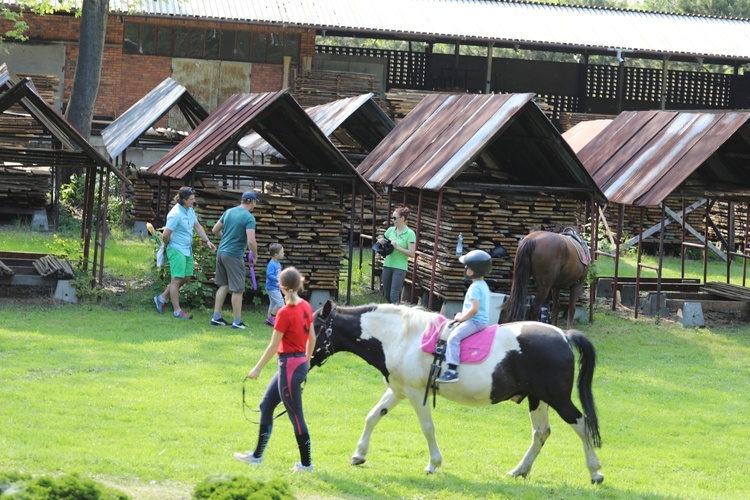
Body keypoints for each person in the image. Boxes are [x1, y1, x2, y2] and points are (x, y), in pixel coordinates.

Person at [234, 267, 317, 472]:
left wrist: (257, 369)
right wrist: (306, 362)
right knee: (266, 405)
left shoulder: (285, 313)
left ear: (281, 286)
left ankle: (306, 465)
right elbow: (312, 338)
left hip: (289, 367)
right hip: (294, 365)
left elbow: (273, 346)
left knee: (296, 416)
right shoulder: (306, 306)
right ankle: (257, 456)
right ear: (299, 284)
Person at [154, 186, 216, 319]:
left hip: (186, 249)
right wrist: (166, 245)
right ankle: (177, 311)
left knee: (186, 277)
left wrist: (207, 241)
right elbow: (166, 235)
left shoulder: (190, 210)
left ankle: (162, 298)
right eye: (191, 199)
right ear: (183, 200)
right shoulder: (175, 214)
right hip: (176, 249)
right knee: (176, 279)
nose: (194, 201)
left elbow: (197, 226)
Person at [435, 249, 492, 384]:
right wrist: (462, 314)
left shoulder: (475, 288)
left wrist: (461, 318)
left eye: (466, 266)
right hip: (477, 320)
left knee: (453, 337)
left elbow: (474, 309)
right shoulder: (482, 285)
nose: (465, 268)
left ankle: (452, 371)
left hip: (475, 322)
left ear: (472, 271)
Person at [210, 191, 259, 329]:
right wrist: (255, 255)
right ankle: (237, 322)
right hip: (234, 255)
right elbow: (251, 241)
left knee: (223, 285)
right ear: (252, 202)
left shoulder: (229, 212)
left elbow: (215, 230)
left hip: (221, 252)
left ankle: (216, 317)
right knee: (237, 289)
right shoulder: (249, 218)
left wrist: (225, 239)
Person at [380, 206, 416, 304]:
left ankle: (397, 317)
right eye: (392, 217)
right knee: (386, 294)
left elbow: (412, 253)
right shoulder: (390, 230)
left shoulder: (410, 233)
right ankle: (395, 313)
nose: (393, 220)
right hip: (387, 265)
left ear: (403, 219)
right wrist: (380, 242)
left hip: (399, 267)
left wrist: (397, 247)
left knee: (394, 295)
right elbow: (385, 244)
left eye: (395, 218)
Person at [265, 243, 285, 327]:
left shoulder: (278, 264)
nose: (283, 254)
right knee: (281, 303)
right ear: (276, 255)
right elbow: (269, 275)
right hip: (272, 287)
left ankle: (268, 319)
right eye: (282, 252)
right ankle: (272, 318)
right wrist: (278, 279)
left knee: (272, 304)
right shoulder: (272, 264)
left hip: (276, 287)